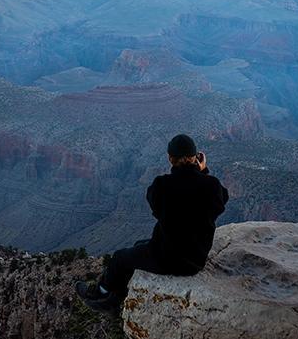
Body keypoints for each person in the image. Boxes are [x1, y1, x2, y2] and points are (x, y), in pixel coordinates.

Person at [75, 133, 229, 314]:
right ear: (196, 157)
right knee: (138, 245)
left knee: (119, 258)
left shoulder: (162, 185)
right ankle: (119, 296)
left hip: (167, 258)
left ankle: (102, 294)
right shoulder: (211, 186)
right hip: (196, 259)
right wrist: (202, 172)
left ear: (170, 158)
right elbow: (222, 200)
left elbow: (155, 206)